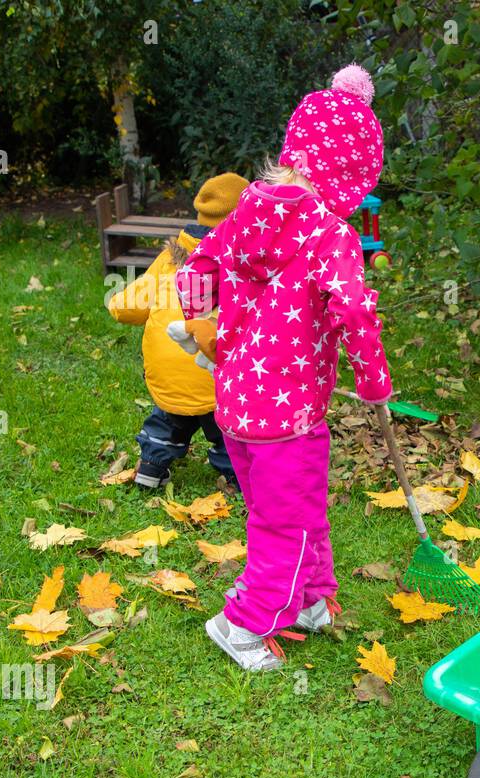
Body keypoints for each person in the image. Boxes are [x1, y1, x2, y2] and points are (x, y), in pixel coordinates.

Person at [175, 64, 391, 671]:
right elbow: (354, 307)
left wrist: (202, 327)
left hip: (239, 404)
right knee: (284, 525)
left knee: (297, 507)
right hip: (289, 412)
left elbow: (195, 271)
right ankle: (243, 622)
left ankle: (311, 598)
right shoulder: (331, 234)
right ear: (352, 172)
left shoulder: (247, 208)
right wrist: (373, 381)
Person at [107, 172, 248, 488]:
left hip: (167, 369)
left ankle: (152, 464)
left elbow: (132, 303)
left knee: (168, 420)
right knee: (228, 429)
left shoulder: (172, 257)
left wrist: (116, 303)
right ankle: (237, 474)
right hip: (216, 372)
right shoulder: (245, 261)